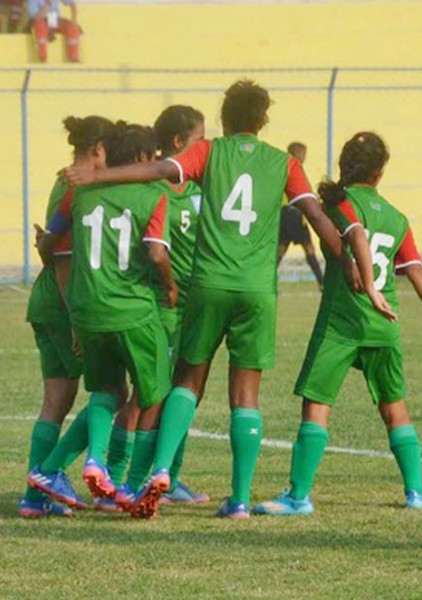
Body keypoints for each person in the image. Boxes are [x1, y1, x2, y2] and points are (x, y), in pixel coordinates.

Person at [65, 80, 392, 520]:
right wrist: (348, 262)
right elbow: (317, 216)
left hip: (209, 284)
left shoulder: (209, 152)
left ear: (225, 118)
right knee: (246, 395)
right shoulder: (284, 163)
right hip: (257, 290)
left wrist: (99, 175)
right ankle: (238, 500)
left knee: (188, 380)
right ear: (263, 121)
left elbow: (161, 171)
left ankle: (160, 470)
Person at [253, 132, 422, 517]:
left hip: (343, 322)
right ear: (380, 173)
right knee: (395, 408)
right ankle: (416, 492)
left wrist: (372, 288)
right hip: (384, 325)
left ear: (346, 167)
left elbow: (357, 235)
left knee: (317, 405)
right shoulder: (396, 217)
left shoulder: (341, 204)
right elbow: (414, 270)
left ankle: (298, 496)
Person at [30, 122, 176, 509]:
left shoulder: (78, 192)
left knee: (105, 390)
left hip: (87, 309)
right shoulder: (154, 195)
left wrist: (42, 243)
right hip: (133, 309)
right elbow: (158, 252)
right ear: (144, 160)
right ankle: (134, 484)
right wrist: (172, 286)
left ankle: (92, 460)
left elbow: (50, 241)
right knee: (154, 393)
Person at [105, 105, 210, 511]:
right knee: (149, 396)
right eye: (200, 139)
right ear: (180, 143)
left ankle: (169, 476)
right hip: (160, 304)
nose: (206, 147)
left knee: (184, 393)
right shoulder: (156, 193)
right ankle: (119, 478)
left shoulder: (200, 191)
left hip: (194, 306)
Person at [19, 115, 112, 518]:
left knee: (57, 399)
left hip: (46, 303)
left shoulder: (68, 180)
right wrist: (77, 319)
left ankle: (34, 497)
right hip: (64, 304)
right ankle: (50, 474)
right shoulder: (79, 185)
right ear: (98, 150)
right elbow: (62, 259)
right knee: (111, 390)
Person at [278, 141, 325, 289]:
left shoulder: (282, 169)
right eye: (303, 154)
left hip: (283, 214)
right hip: (294, 213)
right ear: (298, 154)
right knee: (309, 248)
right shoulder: (294, 169)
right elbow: (302, 194)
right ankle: (322, 283)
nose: (305, 157)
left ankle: (268, 282)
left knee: (281, 248)